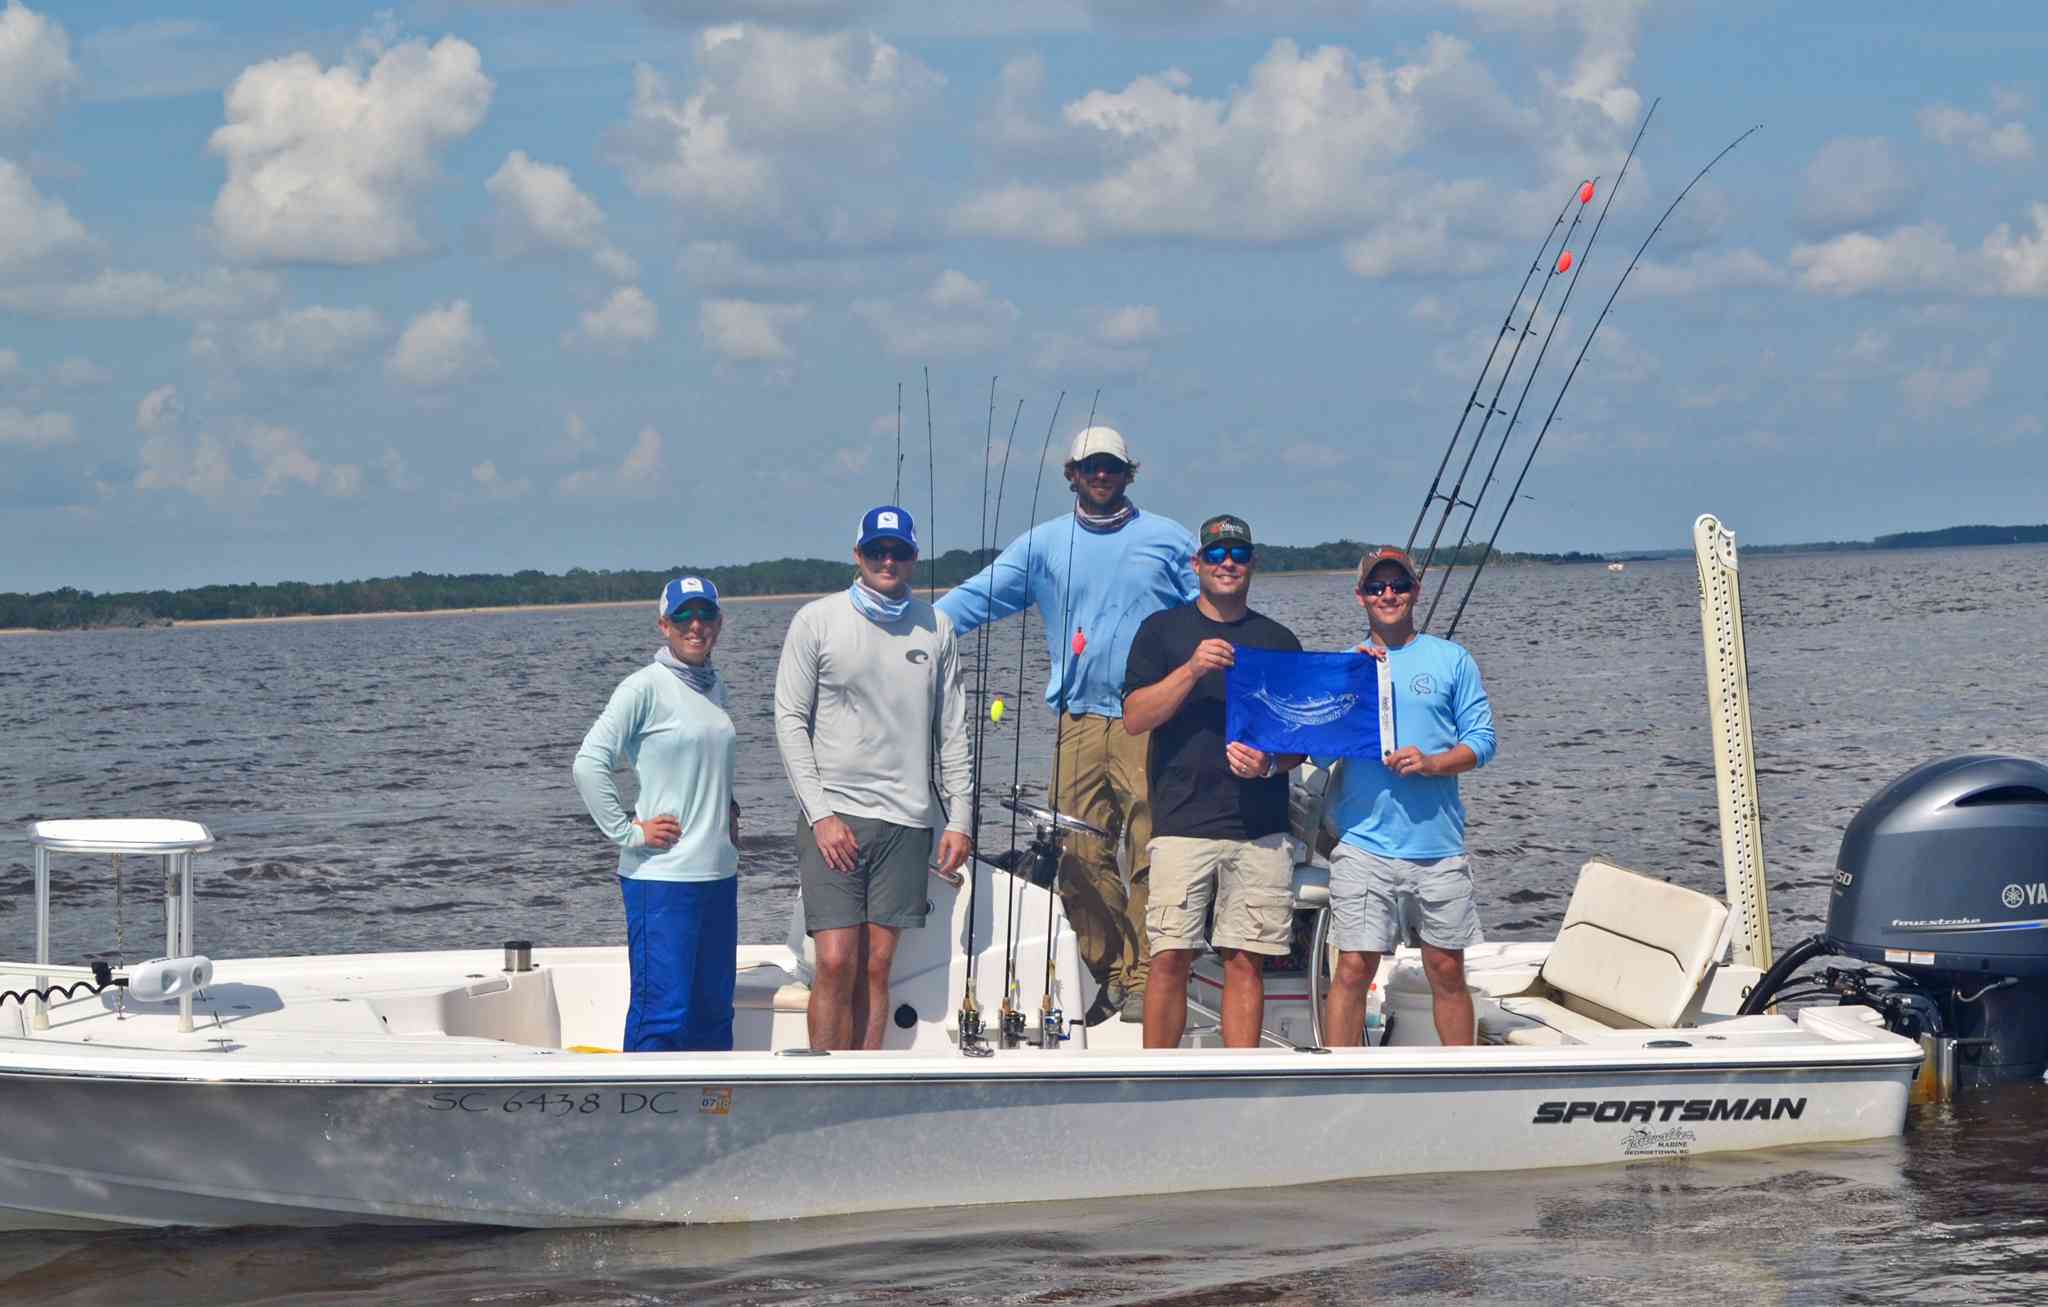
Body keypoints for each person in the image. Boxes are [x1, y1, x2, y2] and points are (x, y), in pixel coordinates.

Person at [938, 426, 1197, 1025]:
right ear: (1071, 475)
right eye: (1090, 467)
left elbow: (1212, 611)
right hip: (1077, 722)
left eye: (1111, 467)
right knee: (1075, 853)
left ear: (1130, 473)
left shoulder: (1166, 538)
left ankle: (1143, 978)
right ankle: (1109, 970)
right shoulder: (1043, 544)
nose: (1100, 476)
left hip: (1153, 721)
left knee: (1151, 854)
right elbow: (976, 599)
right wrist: (911, 630)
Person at [774, 505, 973, 1051]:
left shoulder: (938, 627)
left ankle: (864, 1083)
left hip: (907, 822)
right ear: (858, 555)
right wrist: (820, 815)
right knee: (836, 962)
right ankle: (820, 1085)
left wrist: (960, 819)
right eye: (878, 551)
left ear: (913, 559)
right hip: (834, 819)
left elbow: (952, 731)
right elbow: (789, 721)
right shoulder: (816, 620)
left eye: (900, 552)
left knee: (877, 969)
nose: (889, 560)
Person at [1120, 514, 1304, 1048]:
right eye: (1218, 554)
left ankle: (1241, 1079)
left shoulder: (1278, 640)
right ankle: (1156, 1080)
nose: (1229, 564)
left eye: (1239, 555)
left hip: (1260, 826)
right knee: (1170, 955)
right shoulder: (1162, 631)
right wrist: (1193, 669)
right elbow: (1135, 717)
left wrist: (1270, 764)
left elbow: (1301, 740)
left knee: (1245, 959)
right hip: (1182, 821)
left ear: (1252, 566)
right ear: (1197, 565)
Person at [1322, 547, 1497, 1047]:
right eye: (1376, 587)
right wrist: (1342, 682)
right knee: (1354, 966)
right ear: (1361, 597)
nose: (1388, 594)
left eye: (1399, 585)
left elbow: (1483, 741)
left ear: (1415, 592)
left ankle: (1462, 1077)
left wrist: (1434, 763)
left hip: (1437, 845)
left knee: (1445, 968)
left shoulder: (1451, 659)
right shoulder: (1344, 666)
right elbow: (1310, 747)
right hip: (1363, 843)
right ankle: (1340, 1078)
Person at [573, 576, 742, 1052]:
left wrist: (727, 811)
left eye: (705, 615)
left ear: (719, 623)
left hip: (718, 875)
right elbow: (588, 763)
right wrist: (627, 832)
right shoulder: (643, 687)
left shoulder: (716, 688)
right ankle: (645, 1120)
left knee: (713, 1013)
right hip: (663, 879)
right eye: (684, 616)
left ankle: (711, 1121)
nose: (696, 626)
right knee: (663, 1015)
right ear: (663, 625)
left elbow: (703, 767)